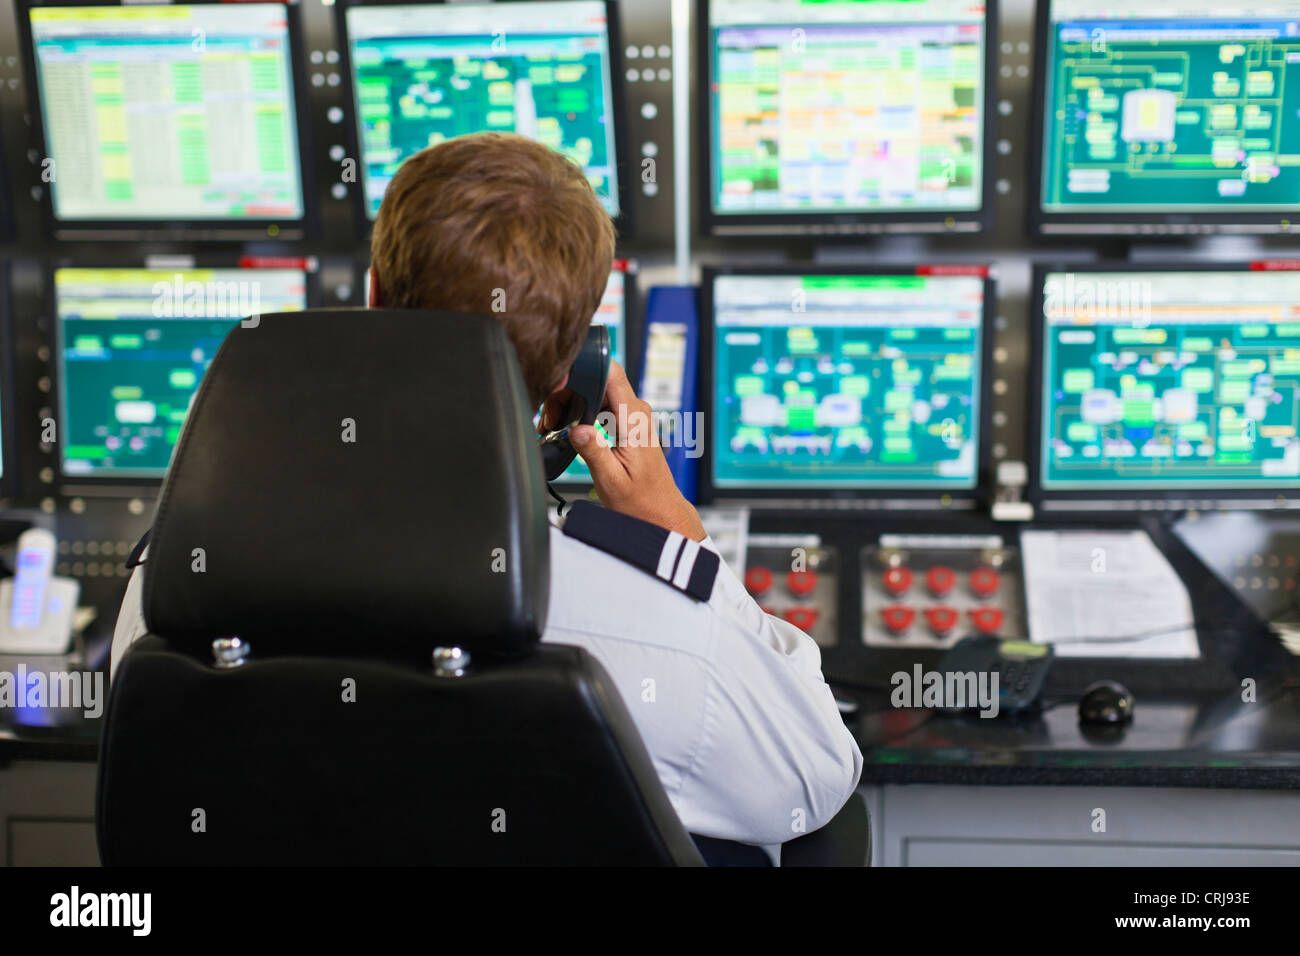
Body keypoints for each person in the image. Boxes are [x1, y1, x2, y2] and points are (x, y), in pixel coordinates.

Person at [110, 132, 862, 863]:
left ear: (374, 296)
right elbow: (817, 777)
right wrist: (681, 542)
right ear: (576, 364)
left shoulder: (173, 587)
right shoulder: (659, 632)